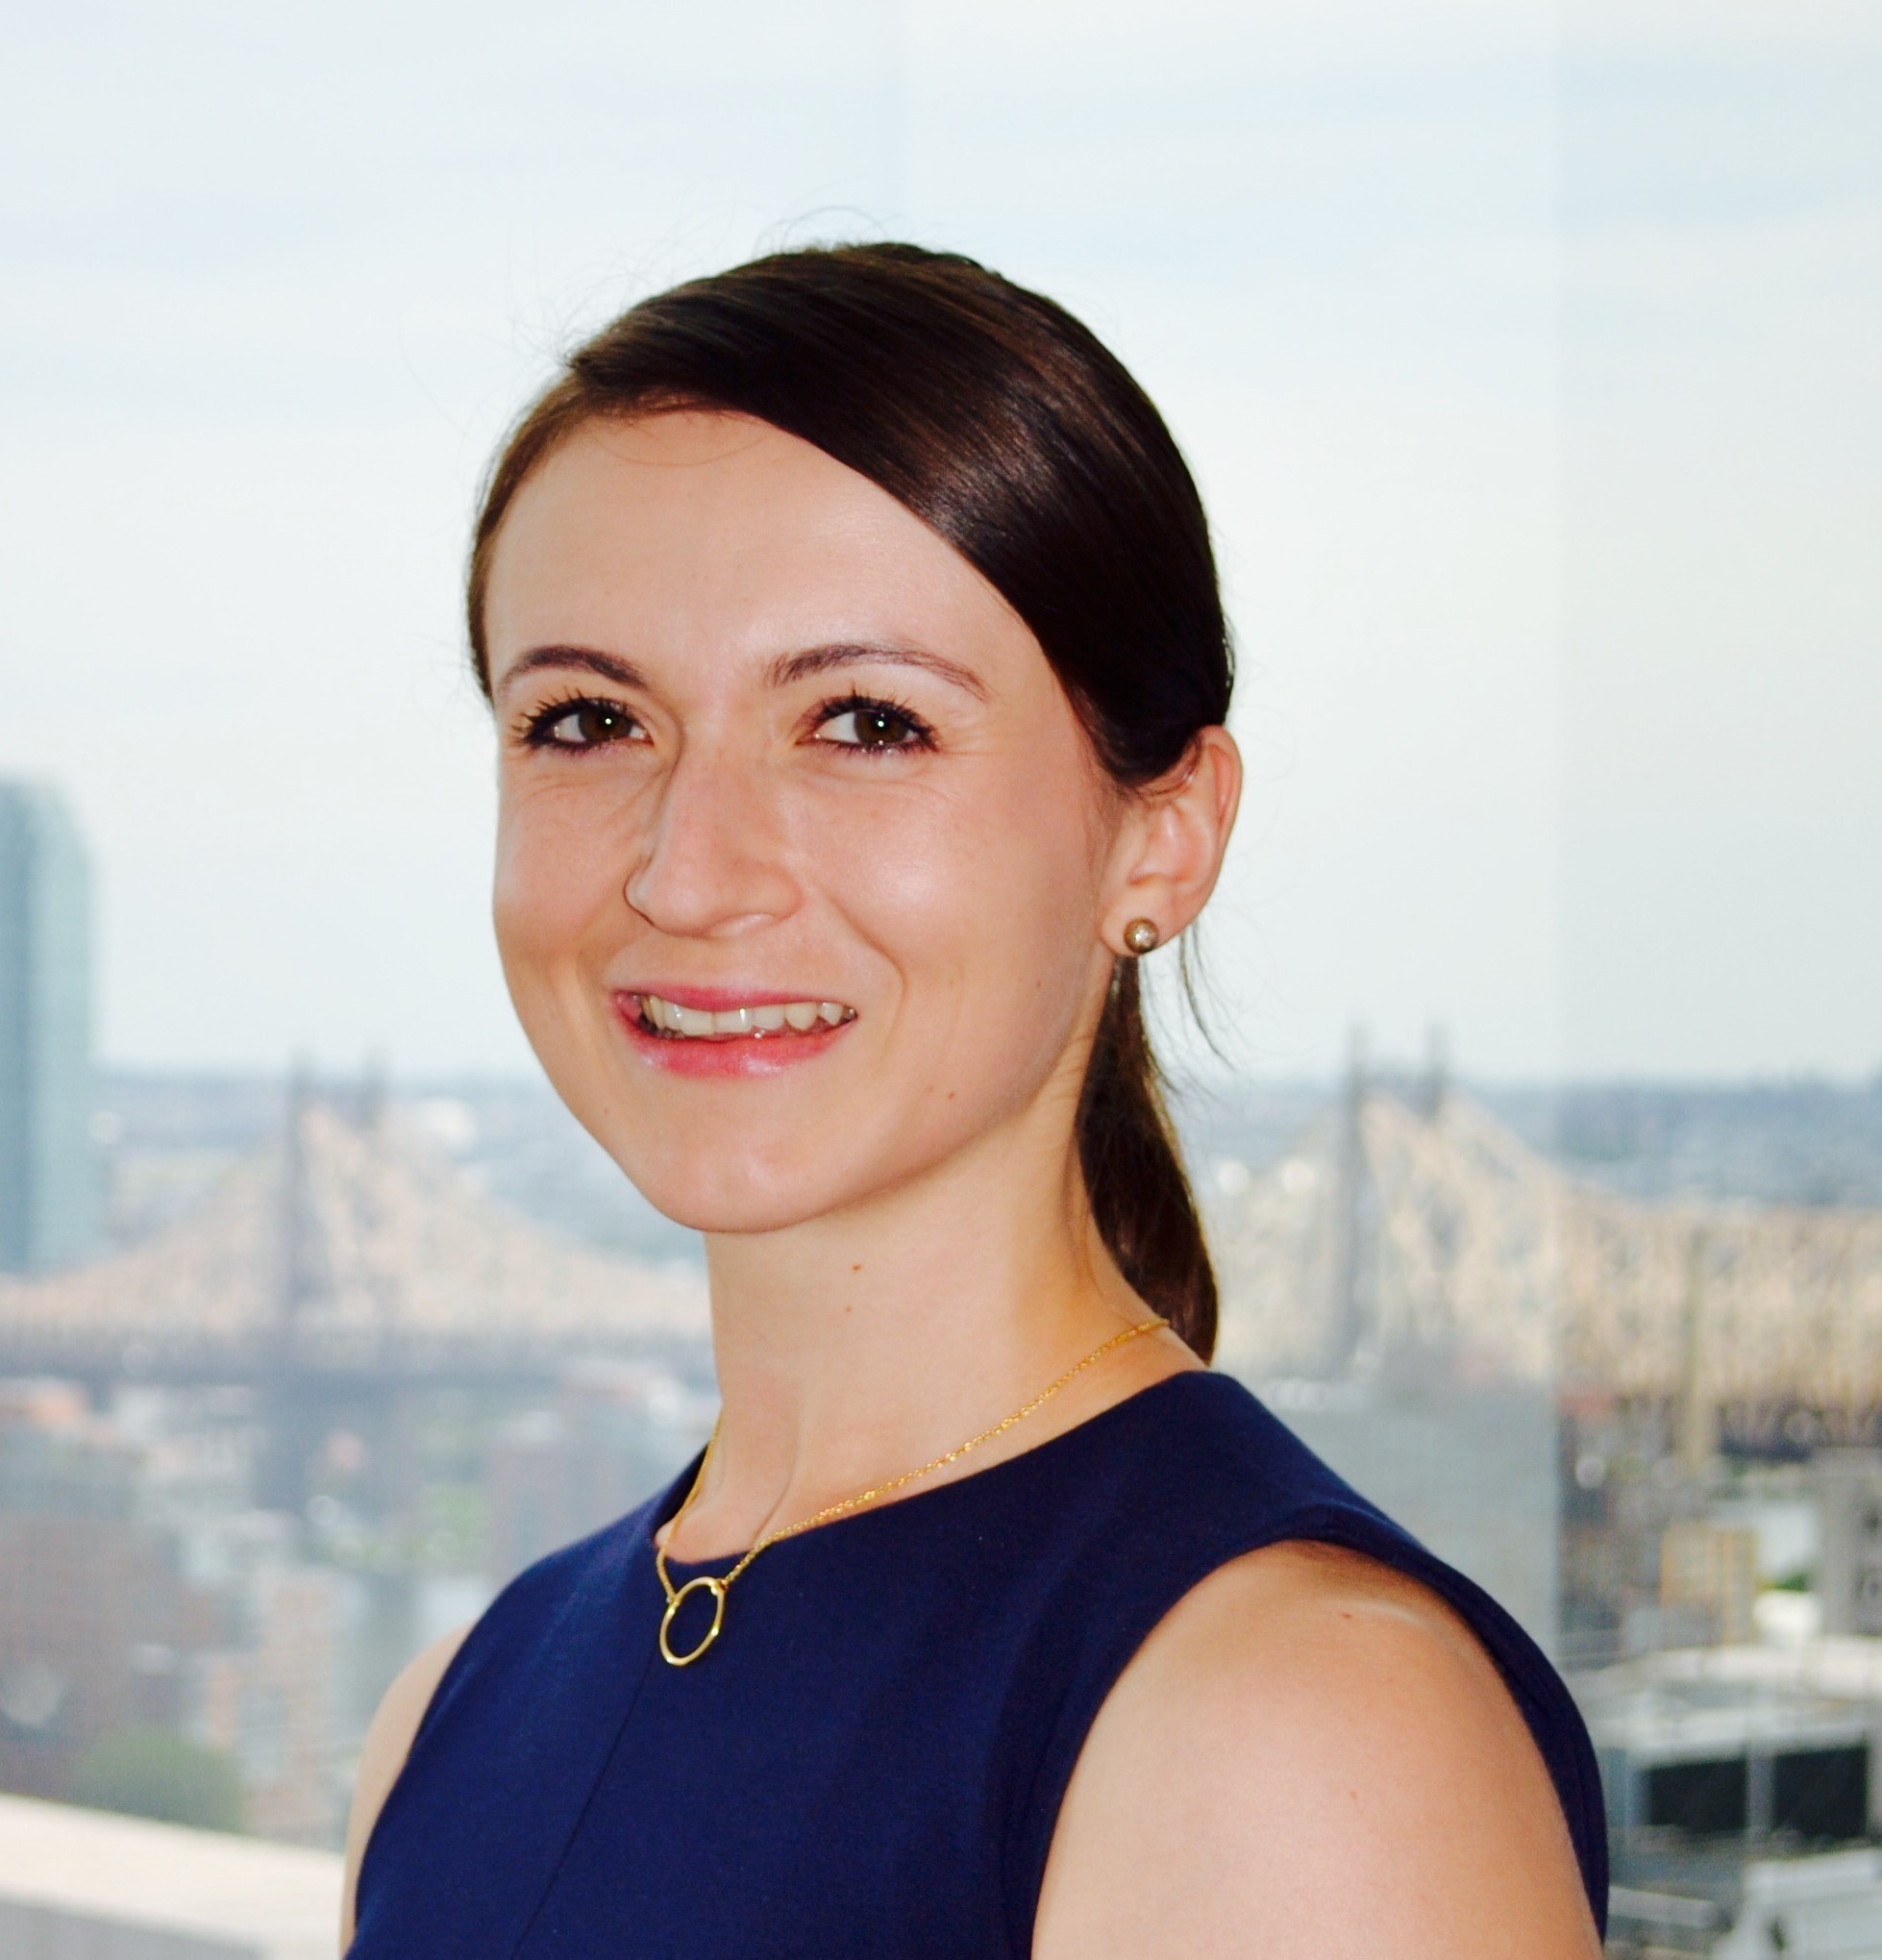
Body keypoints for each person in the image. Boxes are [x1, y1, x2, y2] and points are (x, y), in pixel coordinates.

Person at [341, 243, 1605, 1957]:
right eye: (586, 721)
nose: (688, 873)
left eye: (864, 722)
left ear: (1162, 832)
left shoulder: (1301, 1733)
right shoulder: (455, 1713)